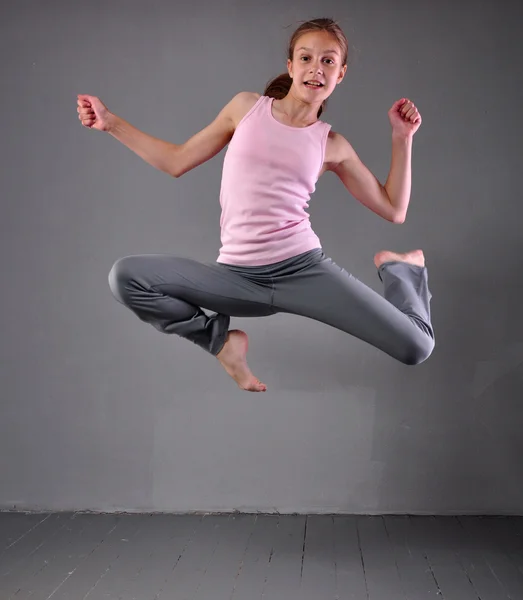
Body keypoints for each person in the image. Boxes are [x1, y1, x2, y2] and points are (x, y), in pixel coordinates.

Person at [77, 17, 435, 392]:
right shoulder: (246, 109)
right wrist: (111, 123)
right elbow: (176, 161)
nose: (316, 68)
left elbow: (394, 209)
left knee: (417, 346)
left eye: (328, 61)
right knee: (127, 277)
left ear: (340, 74)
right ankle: (218, 342)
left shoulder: (332, 145)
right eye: (306, 57)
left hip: (304, 272)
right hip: (236, 278)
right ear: (291, 66)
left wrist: (402, 137)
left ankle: (402, 270)